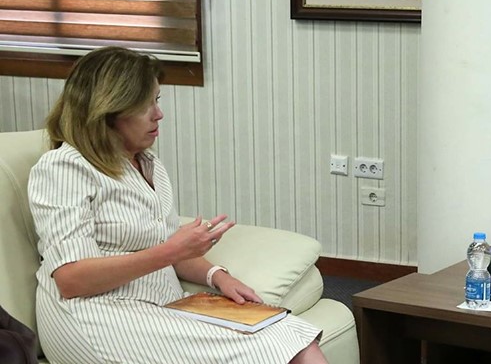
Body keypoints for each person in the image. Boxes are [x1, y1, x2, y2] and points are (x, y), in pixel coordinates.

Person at [28, 47, 329, 364]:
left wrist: (219, 277)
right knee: (274, 347)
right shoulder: (64, 168)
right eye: (145, 105)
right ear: (109, 110)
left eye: (157, 100)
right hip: (95, 314)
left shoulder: (148, 163)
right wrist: (172, 250)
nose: (158, 114)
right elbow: (71, 280)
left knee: (291, 333)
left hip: (160, 304)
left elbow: (166, 244)